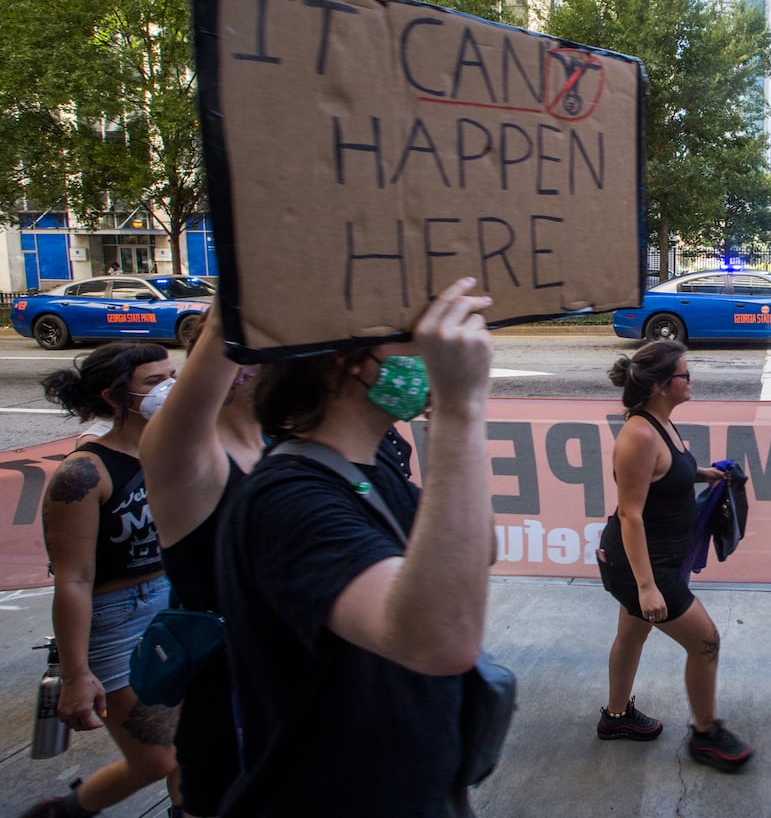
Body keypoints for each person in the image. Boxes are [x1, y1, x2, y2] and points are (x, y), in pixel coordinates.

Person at [214, 277, 494, 816]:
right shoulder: (288, 499)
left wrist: (456, 414)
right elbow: (440, 639)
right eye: (416, 339)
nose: (435, 353)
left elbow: (478, 547)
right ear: (347, 358)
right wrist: (461, 409)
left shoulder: (371, 466)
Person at [27, 343, 181, 818]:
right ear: (115, 397)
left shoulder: (172, 448)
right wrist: (77, 674)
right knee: (157, 759)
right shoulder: (84, 473)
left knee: (192, 751)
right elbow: (73, 580)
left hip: (173, 606)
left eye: (170, 375)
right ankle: (67, 810)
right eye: (154, 382)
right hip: (117, 621)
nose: (169, 388)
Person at [594, 340, 753, 772]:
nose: (691, 380)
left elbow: (664, 475)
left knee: (632, 635)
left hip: (656, 561)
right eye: (685, 374)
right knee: (706, 643)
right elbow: (630, 514)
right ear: (664, 385)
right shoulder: (640, 434)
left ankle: (615, 718)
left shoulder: (661, 424)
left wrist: (702, 473)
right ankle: (706, 735)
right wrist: (647, 587)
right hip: (644, 566)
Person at [139, 302, 262, 816]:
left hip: (294, 694)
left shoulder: (282, 447)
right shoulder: (190, 456)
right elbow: (223, 324)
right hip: (230, 705)